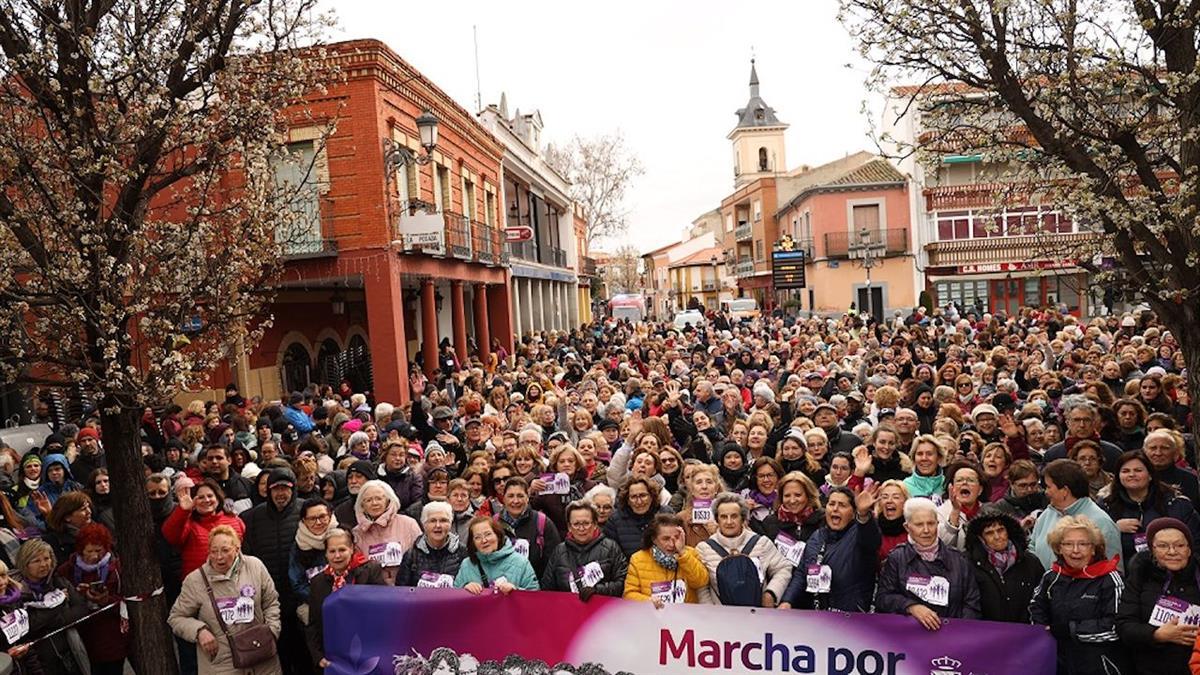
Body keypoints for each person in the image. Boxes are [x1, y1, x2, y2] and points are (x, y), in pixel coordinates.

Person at [169, 525, 282, 675]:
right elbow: (176, 617)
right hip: (222, 663)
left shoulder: (255, 566)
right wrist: (199, 631)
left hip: (262, 656)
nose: (219, 557)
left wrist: (272, 630)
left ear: (237, 548)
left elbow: (271, 602)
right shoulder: (195, 580)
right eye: (214, 551)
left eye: (225, 550)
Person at [1030, 515, 1127, 675]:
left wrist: (1070, 630)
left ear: (1094, 548)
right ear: (1059, 548)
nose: (1075, 550)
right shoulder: (1051, 577)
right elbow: (1036, 608)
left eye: (1083, 544)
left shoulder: (1110, 578)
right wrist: (1043, 631)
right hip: (1057, 661)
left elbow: (1114, 627)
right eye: (1068, 544)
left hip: (1098, 663)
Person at [238, 467, 308, 674]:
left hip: (300, 596)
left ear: (293, 489)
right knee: (277, 653)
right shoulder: (251, 517)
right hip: (268, 599)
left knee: (304, 653)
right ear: (268, 491)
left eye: (285, 488)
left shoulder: (306, 511)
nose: (280, 493)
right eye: (275, 488)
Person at [875, 497, 981, 630]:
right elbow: (883, 599)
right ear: (907, 527)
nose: (926, 530)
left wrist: (955, 631)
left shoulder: (959, 560)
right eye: (919, 525)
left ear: (938, 524)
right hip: (908, 639)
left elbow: (972, 604)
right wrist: (910, 606)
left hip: (951, 641)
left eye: (931, 523)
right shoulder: (896, 558)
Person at [778, 485, 882, 612]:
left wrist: (864, 515)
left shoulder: (859, 534)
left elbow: (871, 539)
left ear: (853, 512)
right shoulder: (817, 536)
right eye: (831, 504)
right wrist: (787, 601)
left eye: (842, 505)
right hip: (818, 617)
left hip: (851, 618)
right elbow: (801, 573)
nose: (835, 509)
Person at [1117, 518, 1199, 675]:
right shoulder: (1139, 577)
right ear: (1152, 550)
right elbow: (1124, 626)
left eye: (1180, 545)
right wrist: (1157, 635)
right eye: (1163, 546)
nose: (1172, 551)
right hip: (1150, 668)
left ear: (1189, 549)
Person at [305, 528, 385, 669]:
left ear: (352, 549)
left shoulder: (370, 570)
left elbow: (382, 610)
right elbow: (313, 623)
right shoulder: (318, 582)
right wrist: (317, 656)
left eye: (342, 550)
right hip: (333, 653)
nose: (337, 556)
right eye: (332, 551)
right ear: (326, 553)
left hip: (368, 649)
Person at [55, 523, 128, 675]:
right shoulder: (67, 569)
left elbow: (127, 601)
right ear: (81, 550)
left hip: (111, 637)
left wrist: (105, 600)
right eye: (89, 551)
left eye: (98, 551)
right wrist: (75, 595)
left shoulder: (116, 569)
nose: (94, 556)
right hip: (83, 635)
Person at [1103, 451, 1200, 564]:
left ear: (1150, 475)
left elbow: (1196, 543)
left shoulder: (1177, 504)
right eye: (1125, 471)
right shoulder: (1106, 506)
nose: (1131, 474)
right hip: (1125, 575)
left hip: (1172, 573)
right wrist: (1113, 529)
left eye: (1138, 470)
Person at [696, 492, 792, 607]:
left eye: (734, 516)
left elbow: (783, 568)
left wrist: (771, 593)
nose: (729, 522)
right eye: (723, 517)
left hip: (758, 615)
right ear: (717, 519)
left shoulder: (762, 543)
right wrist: (710, 611)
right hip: (720, 618)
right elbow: (701, 587)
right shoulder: (703, 549)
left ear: (743, 518)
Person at [1032, 459, 1125, 574]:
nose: (1046, 492)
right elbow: (1032, 547)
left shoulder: (1102, 522)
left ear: (1065, 491)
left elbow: (1114, 569)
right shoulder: (1047, 514)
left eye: (1049, 487)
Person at [14, 539, 90, 675]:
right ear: (24, 564)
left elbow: (81, 609)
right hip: (39, 660)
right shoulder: (16, 592)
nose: (44, 564)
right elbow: (28, 625)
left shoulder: (59, 582)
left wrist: (57, 621)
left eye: (47, 558)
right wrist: (55, 608)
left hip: (70, 651)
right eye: (36, 561)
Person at [965, 509, 1045, 623]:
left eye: (1001, 530)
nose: (997, 536)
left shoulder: (1030, 562)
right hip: (986, 634)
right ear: (980, 538)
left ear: (1008, 531)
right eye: (989, 533)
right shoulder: (969, 564)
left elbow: (1043, 600)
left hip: (1026, 633)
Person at [541, 500, 628, 598]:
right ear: (569, 527)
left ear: (595, 524)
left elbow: (623, 583)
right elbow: (547, 588)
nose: (581, 529)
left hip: (602, 611)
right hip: (568, 610)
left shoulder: (611, 548)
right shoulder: (559, 551)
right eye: (576, 524)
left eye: (586, 523)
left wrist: (597, 590)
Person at [163, 478, 247, 579]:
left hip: (232, 581)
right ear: (194, 501)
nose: (206, 500)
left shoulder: (235, 521)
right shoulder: (188, 523)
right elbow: (170, 535)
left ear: (218, 498)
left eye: (210, 496)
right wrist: (183, 511)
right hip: (199, 584)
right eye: (200, 497)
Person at [622, 513, 709, 606]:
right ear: (654, 539)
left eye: (677, 537)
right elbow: (629, 594)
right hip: (652, 615)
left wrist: (683, 554)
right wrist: (647, 601)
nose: (672, 544)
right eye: (666, 539)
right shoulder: (638, 559)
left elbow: (701, 582)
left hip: (685, 615)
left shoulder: (690, 553)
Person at [351, 480, 421, 585]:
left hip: (406, 589)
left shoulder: (409, 524)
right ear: (362, 505)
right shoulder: (356, 533)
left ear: (388, 500)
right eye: (368, 500)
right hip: (372, 592)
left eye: (379, 498)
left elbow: (420, 559)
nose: (374, 503)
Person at [494, 477, 561, 578]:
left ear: (527, 497)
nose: (515, 501)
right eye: (511, 496)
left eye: (520, 496)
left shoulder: (543, 522)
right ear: (503, 498)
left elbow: (554, 561)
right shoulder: (493, 523)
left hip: (535, 587)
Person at [454, 516, 539, 593]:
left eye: (488, 534)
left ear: (498, 535)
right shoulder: (467, 565)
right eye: (477, 537)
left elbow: (535, 598)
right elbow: (453, 600)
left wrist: (515, 591)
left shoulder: (521, 563)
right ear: (472, 543)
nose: (484, 540)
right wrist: (464, 589)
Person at [287, 498, 337, 624]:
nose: (318, 522)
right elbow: (297, 582)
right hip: (311, 602)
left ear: (330, 516)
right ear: (304, 521)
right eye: (312, 519)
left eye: (322, 517)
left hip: (342, 599)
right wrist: (320, 599)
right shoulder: (298, 545)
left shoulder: (341, 536)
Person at [395, 502, 468, 588]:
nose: (438, 525)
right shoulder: (411, 555)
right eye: (432, 521)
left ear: (450, 524)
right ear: (424, 525)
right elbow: (401, 591)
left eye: (443, 520)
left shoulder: (463, 553)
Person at [603, 476, 672, 557]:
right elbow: (613, 557)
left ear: (652, 496)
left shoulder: (666, 514)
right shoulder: (615, 520)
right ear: (627, 500)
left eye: (643, 495)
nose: (639, 502)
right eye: (633, 497)